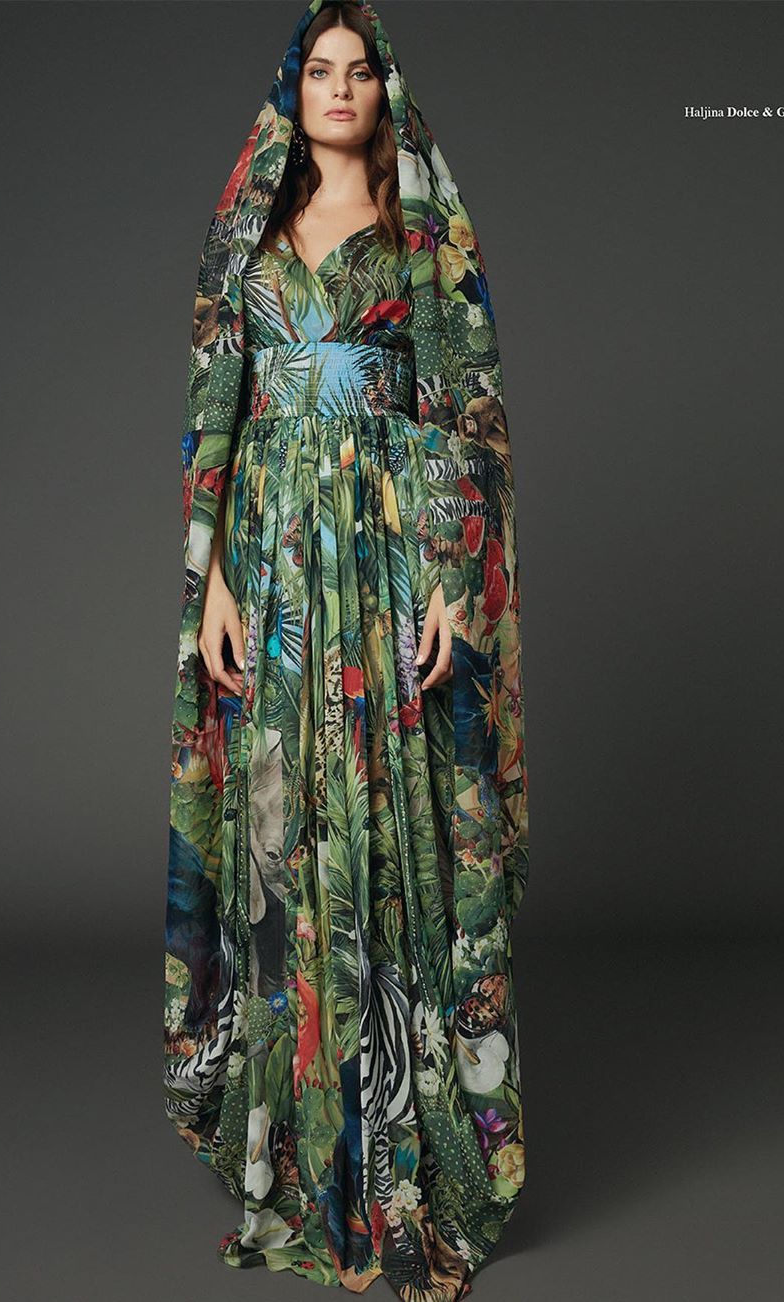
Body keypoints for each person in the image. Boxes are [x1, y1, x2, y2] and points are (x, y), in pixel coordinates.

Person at [164, 2, 529, 1297]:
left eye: (357, 70)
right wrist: (210, 575)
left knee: (386, 815)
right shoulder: (248, 229)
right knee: (284, 828)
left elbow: (461, 410)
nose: (337, 88)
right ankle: (295, 1155)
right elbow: (215, 402)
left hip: (381, 552)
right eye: (317, 70)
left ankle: (396, 1163)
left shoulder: (423, 233)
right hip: (268, 557)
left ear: (384, 89)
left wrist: (449, 581)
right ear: (292, 88)